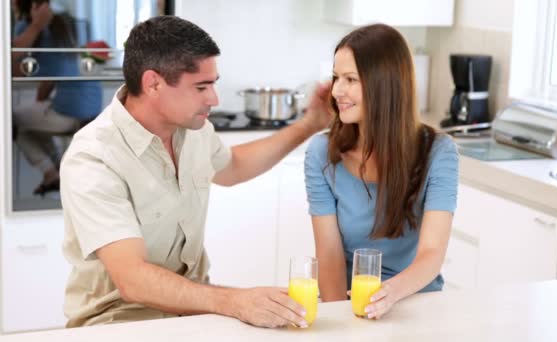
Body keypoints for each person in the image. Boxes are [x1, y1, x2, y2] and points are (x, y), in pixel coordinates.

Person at [60, 15, 330, 328]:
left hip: (193, 312)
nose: (213, 99)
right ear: (154, 83)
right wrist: (234, 301)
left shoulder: (193, 130)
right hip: (119, 320)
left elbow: (234, 166)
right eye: (201, 87)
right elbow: (132, 280)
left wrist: (309, 124)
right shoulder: (94, 158)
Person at [304, 24, 459, 319]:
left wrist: (388, 295)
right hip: (351, 304)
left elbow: (431, 254)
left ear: (384, 85)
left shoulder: (439, 152)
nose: (337, 91)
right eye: (336, 77)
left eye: (350, 79)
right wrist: (342, 321)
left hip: (416, 304)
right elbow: (330, 255)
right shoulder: (321, 154)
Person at [12, 0, 103, 195]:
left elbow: (11, 62)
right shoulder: (69, 27)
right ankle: (58, 171)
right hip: (94, 111)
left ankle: (51, 172)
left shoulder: (30, 27)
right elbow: (55, 74)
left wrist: (36, 26)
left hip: (70, 113)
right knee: (32, 123)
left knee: (11, 122)